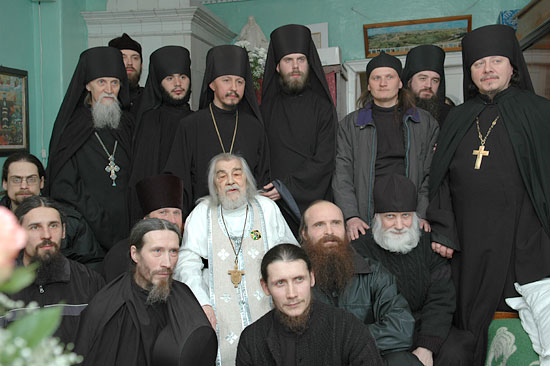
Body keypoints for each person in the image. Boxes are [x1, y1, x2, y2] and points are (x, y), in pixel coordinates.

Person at [427, 24, 550, 366]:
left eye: (496, 60)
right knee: (468, 324)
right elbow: (438, 181)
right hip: (469, 240)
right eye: (479, 64)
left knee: (525, 325)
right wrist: (444, 229)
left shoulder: (539, 113)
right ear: (470, 73)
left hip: (521, 237)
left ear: (513, 66)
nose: (488, 69)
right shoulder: (457, 118)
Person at [174, 153, 296, 365]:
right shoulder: (202, 213)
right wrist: (202, 302)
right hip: (219, 312)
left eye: (236, 174)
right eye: (221, 176)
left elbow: (290, 254)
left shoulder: (266, 208)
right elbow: (187, 261)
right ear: (214, 184)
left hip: (267, 304)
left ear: (246, 179)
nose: (230, 181)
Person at [353, 174, 468, 365]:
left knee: (456, 351)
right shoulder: (360, 249)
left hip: (427, 326)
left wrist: (427, 346)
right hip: (387, 332)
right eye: (390, 217)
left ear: (415, 216)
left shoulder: (427, 244)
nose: (399, 226)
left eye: (405, 216)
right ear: (376, 217)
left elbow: (441, 299)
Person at [75, 218, 218, 366]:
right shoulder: (107, 307)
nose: (167, 263)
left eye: (173, 251)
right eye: (157, 251)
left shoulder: (184, 295)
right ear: (135, 254)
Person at [333, 51, 439, 241]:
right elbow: (342, 174)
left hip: (410, 216)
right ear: (369, 84)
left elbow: (430, 174)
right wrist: (351, 216)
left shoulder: (424, 122)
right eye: (376, 78)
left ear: (400, 82)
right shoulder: (350, 125)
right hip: (366, 218)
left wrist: (422, 214)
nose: (383, 83)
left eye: (389, 77)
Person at [300, 200, 419, 365]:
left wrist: (344, 342)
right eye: (319, 225)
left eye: (335, 223)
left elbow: (401, 329)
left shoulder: (373, 273)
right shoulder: (295, 279)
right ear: (305, 234)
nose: (329, 232)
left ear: (345, 229)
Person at [45, 46, 134, 252]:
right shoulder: (71, 127)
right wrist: (101, 225)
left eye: (115, 82)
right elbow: (64, 187)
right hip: (87, 235)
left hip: (128, 230)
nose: (109, 90)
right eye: (101, 82)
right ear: (87, 85)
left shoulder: (127, 125)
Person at [164, 45, 270, 216]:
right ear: (212, 84)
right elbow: (179, 180)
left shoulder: (254, 127)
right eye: (226, 80)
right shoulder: (190, 125)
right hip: (203, 217)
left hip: (248, 218)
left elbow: (263, 176)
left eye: (240, 82)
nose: (234, 88)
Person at [236, 243, 383, 366]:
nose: (292, 294)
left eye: (299, 279)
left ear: (312, 278)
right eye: (280, 283)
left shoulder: (348, 327)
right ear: (265, 287)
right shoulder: (252, 339)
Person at [261, 24, 337, 234]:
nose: (295, 66)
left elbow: (325, 159)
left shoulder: (323, 108)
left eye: (300, 59)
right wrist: (272, 189)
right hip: (272, 206)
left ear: (309, 64)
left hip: (315, 203)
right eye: (288, 60)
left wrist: (285, 188)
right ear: (277, 66)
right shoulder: (264, 110)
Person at [1, 196, 105, 345]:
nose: (47, 235)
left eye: (53, 226)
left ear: (63, 231)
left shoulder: (89, 283)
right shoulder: (4, 283)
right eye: (35, 227)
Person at [1, 152, 104, 266]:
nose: (24, 186)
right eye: (16, 180)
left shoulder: (71, 221)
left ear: (41, 183)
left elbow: (93, 265)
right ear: (5, 183)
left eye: (31, 179)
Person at [128, 46, 193, 224]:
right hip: (160, 218)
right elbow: (143, 177)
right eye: (169, 78)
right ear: (158, 82)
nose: (178, 84)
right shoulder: (149, 121)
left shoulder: (197, 120)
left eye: (183, 77)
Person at [103, 174, 184, 282]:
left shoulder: (190, 249)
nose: (172, 220)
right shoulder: (119, 256)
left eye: (176, 213)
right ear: (146, 219)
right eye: (163, 212)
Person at [401, 44, 452, 125]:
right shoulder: (395, 113)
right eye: (423, 78)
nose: (428, 85)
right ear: (409, 82)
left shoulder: (451, 116)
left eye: (435, 80)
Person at [109, 32, 143, 115]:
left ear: (141, 65)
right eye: (123, 57)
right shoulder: (103, 99)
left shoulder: (150, 99)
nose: (130, 63)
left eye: (135, 58)